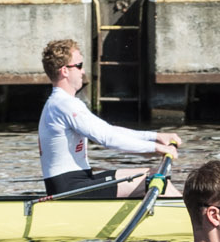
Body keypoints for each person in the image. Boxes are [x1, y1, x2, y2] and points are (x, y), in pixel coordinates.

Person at [37, 37, 178, 198]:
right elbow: (107, 139)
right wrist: (156, 148)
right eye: (79, 66)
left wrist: (156, 137)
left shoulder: (61, 103)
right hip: (69, 188)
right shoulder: (64, 105)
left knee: (153, 174)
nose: (83, 71)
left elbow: (108, 130)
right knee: (153, 179)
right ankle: (192, 217)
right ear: (65, 71)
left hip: (78, 181)